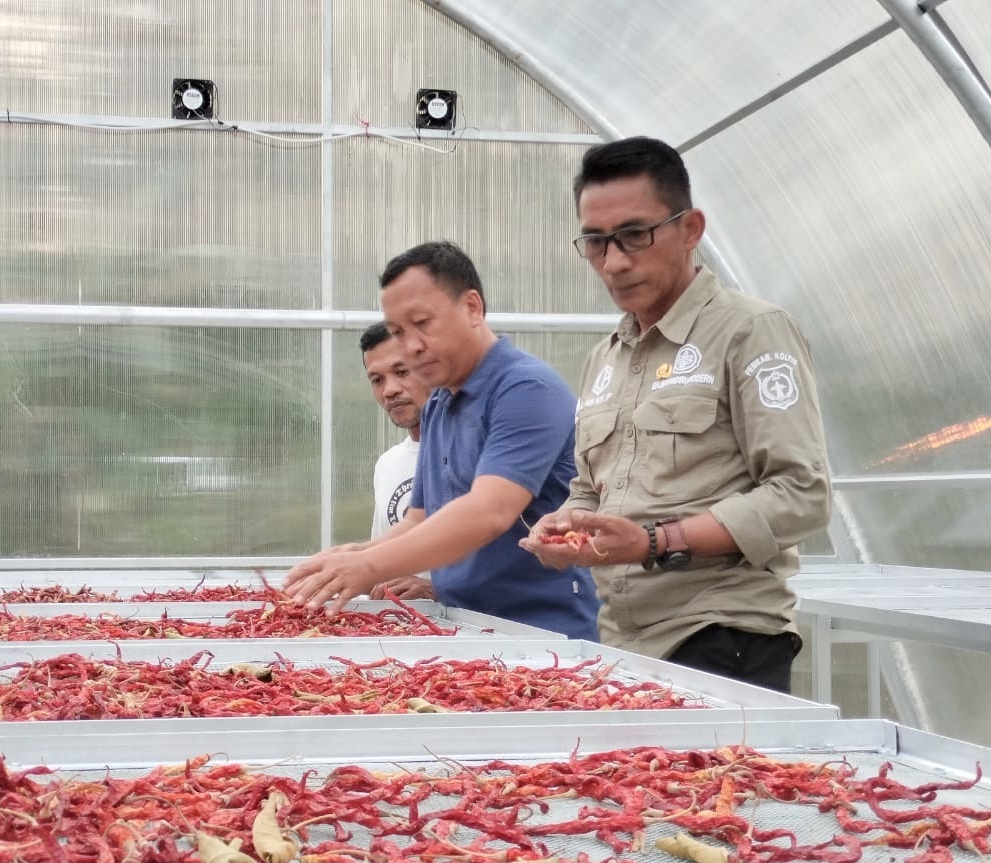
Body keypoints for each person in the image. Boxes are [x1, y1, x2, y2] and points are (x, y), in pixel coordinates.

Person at [521, 136, 831, 693]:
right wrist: (568, 523)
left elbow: (801, 494)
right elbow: (592, 489)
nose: (614, 261)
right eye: (596, 242)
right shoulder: (605, 358)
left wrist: (654, 543)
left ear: (691, 229)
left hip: (720, 636)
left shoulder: (749, 332)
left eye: (635, 235)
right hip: (622, 642)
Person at [285, 241, 600, 641]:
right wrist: (355, 555)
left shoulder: (525, 388)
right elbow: (421, 518)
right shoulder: (439, 400)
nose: (412, 345)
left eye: (423, 323)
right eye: (399, 332)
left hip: (540, 633)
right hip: (461, 626)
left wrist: (370, 566)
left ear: (472, 308)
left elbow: (489, 511)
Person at [359, 321, 436, 601]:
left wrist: (437, 590)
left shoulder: (476, 453)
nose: (389, 390)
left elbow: (513, 565)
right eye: (376, 380)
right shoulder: (387, 464)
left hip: (477, 631)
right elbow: (381, 563)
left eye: (402, 372)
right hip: (406, 631)